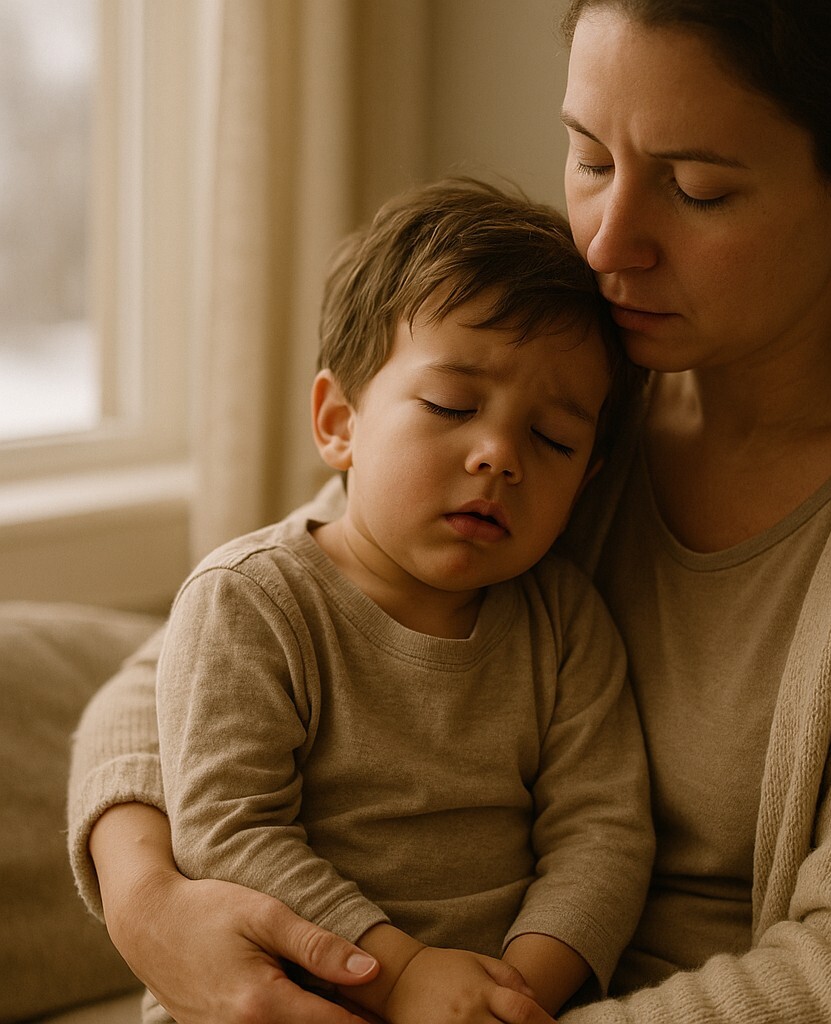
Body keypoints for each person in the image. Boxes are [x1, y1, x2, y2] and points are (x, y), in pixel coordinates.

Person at [68, 0, 831, 1021]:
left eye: (697, 189)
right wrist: (150, 901)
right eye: (588, 158)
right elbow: (210, 640)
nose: (609, 243)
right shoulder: (561, 380)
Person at [142, 178, 653, 1024]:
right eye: (453, 405)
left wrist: (508, 996)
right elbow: (228, 835)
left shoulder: (564, 623)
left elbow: (603, 836)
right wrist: (401, 974)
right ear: (339, 420)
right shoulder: (251, 603)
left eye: (553, 439)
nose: (498, 455)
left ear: (587, 481)